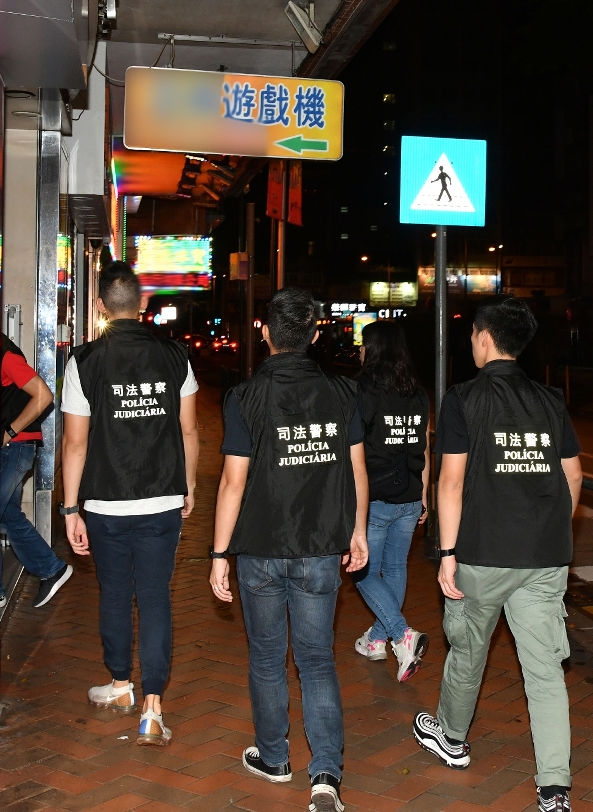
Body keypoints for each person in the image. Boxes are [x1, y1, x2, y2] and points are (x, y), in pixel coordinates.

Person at [411, 297, 584, 812]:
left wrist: (446, 552)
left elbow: (450, 481)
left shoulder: (463, 398)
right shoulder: (550, 400)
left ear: (485, 339)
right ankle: (554, 788)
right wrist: (552, 528)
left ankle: (452, 738)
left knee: (469, 649)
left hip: (482, 552)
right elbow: (572, 476)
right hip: (543, 557)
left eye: (472, 336)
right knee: (545, 670)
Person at [209, 288, 368, 812]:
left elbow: (233, 482)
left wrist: (219, 554)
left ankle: (275, 757)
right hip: (321, 545)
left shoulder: (244, 397)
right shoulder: (343, 392)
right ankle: (325, 775)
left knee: (267, 656)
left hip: (259, 546)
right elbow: (356, 470)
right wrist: (358, 531)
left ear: (265, 333)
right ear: (315, 335)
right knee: (317, 658)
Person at [59, 262, 199, 747]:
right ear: (141, 305)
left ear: (101, 306)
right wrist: (189, 487)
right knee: (155, 596)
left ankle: (121, 685)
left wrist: (70, 508)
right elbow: (188, 430)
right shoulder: (175, 356)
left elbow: (75, 443)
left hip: (105, 501)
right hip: (162, 498)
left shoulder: (83, 361)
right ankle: (153, 709)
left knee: (115, 593)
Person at [351, 320, 432, 682]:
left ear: (373, 349)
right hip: (410, 496)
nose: (360, 350)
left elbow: (353, 450)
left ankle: (401, 635)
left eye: (363, 344)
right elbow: (423, 447)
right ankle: (375, 640)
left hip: (375, 499)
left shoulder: (362, 390)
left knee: (362, 571)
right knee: (396, 569)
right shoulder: (417, 392)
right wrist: (423, 494)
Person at [0, 334, 71, 608]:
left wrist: (9, 432)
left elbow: (44, 396)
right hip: (14, 449)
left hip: (15, 448)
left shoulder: (7, 356)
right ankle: (51, 569)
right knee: (7, 515)